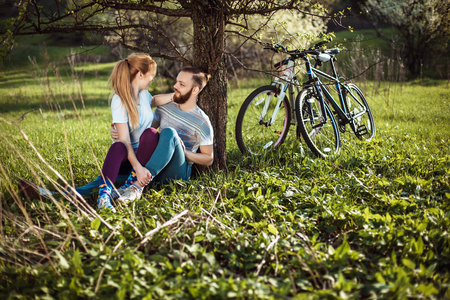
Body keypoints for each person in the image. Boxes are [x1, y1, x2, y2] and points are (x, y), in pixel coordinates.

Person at [18, 53, 171, 212]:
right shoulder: (119, 100)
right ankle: (58, 195)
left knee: (152, 134)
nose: (152, 79)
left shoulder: (145, 95)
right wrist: (138, 167)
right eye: (150, 75)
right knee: (115, 153)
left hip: (141, 161)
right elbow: (124, 140)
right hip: (124, 161)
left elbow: (155, 100)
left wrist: (175, 96)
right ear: (140, 74)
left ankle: (126, 188)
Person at [114, 66, 214, 202]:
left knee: (169, 133)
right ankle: (94, 189)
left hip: (177, 172)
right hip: (157, 165)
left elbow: (209, 159)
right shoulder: (165, 107)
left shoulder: (202, 121)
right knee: (151, 134)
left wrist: (185, 153)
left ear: (195, 90)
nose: (175, 86)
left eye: (181, 84)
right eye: (177, 81)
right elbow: (148, 134)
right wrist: (120, 131)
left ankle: (137, 186)